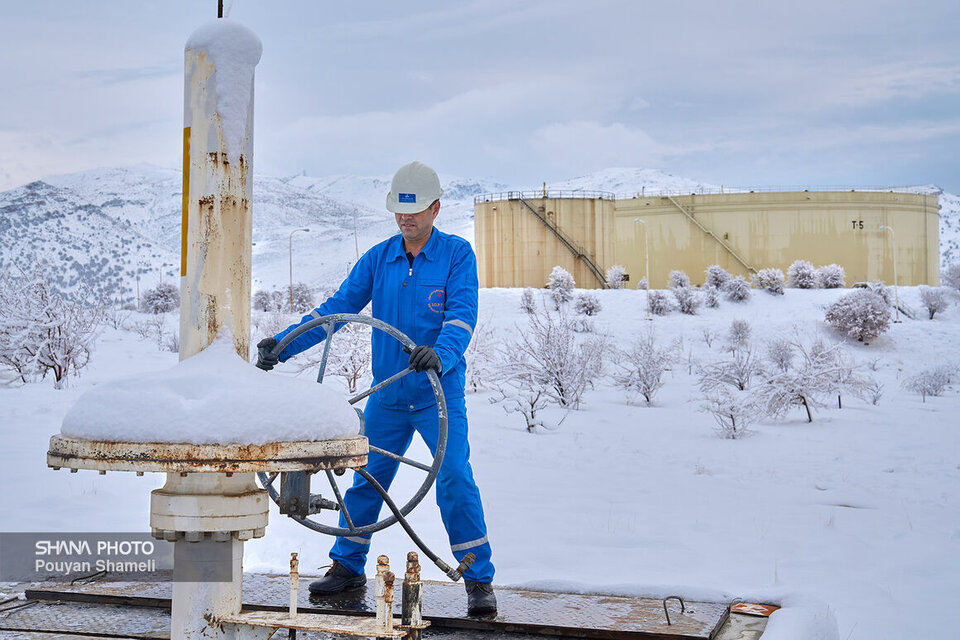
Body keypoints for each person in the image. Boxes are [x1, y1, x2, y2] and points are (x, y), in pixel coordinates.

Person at [255, 161, 496, 617]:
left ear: (436, 208)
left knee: (455, 479)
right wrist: (284, 345)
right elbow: (339, 309)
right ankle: (347, 566)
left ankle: (478, 578)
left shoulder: (456, 255)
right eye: (400, 211)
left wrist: (440, 354)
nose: (406, 219)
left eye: (416, 211)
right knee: (366, 479)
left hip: (436, 395)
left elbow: (463, 316)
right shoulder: (379, 258)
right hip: (387, 397)